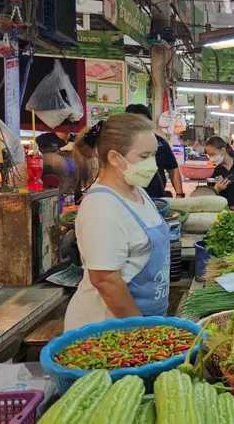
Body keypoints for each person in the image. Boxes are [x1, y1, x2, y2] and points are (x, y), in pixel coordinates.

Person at [64, 115, 170, 331]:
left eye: (154, 155)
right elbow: (106, 281)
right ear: (114, 158)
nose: (153, 163)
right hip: (110, 330)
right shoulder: (101, 207)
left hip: (146, 318)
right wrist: (141, 332)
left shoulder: (138, 191)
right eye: (144, 156)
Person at [125, 104, 184, 198]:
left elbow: (173, 169)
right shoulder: (121, 144)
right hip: (128, 197)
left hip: (157, 198)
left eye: (144, 121)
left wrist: (179, 194)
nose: (140, 125)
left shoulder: (160, 143)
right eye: (135, 121)